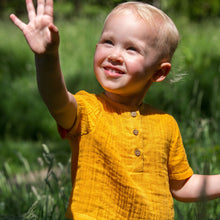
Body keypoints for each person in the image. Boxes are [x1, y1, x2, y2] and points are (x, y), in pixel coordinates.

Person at [10, 0, 220, 219]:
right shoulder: (88, 110)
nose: (115, 55)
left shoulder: (166, 124)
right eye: (108, 42)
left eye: (131, 49)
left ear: (159, 72)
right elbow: (56, 98)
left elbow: (182, 185)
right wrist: (47, 57)